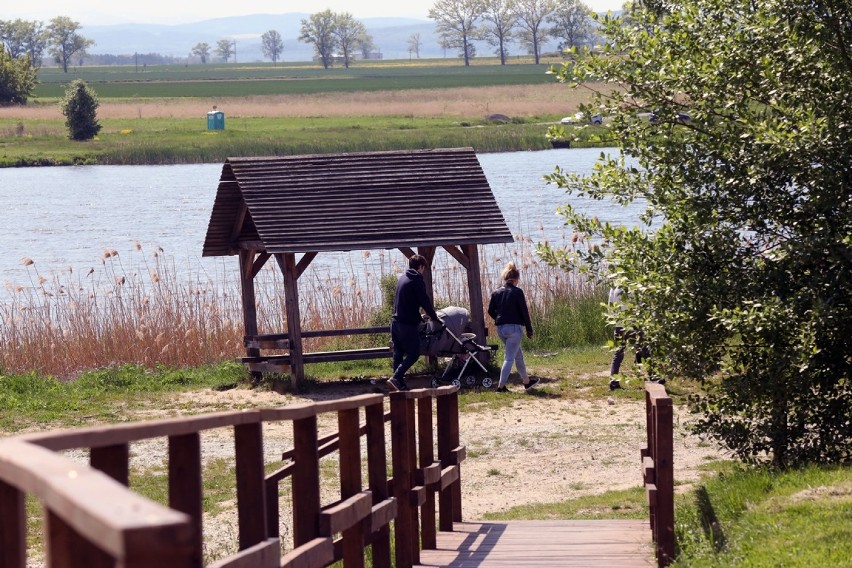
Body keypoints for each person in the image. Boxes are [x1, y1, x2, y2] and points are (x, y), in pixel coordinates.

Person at [388, 254, 440, 391]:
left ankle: (399, 385)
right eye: (424, 268)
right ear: (421, 267)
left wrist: (419, 317)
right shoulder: (416, 280)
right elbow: (425, 301)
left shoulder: (402, 279)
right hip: (406, 324)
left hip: (395, 321)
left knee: (398, 354)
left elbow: (405, 303)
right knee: (414, 353)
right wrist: (433, 316)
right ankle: (396, 377)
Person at [488, 262, 539, 393]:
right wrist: (529, 328)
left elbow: (490, 311)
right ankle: (501, 386)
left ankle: (527, 382)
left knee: (518, 355)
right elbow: (524, 311)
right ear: (516, 279)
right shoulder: (517, 292)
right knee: (509, 358)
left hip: (501, 329)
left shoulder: (496, 292)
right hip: (514, 329)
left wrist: (499, 318)